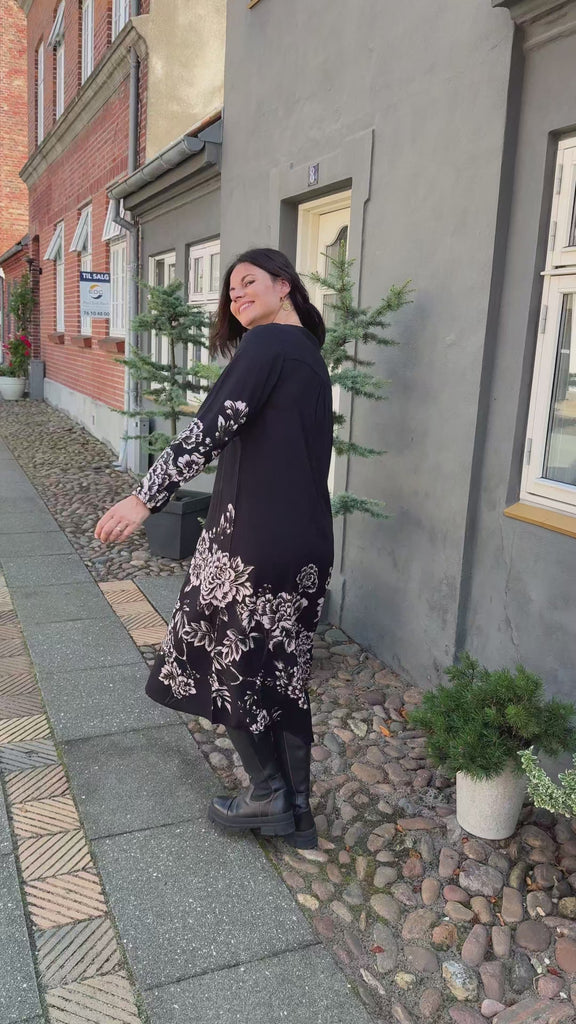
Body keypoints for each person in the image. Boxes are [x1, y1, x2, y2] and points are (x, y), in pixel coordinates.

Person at [95, 248, 334, 849]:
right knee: (281, 671)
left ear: (284, 285)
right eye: (230, 290)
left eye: (249, 282)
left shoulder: (266, 345)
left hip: (249, 541)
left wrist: (145, 498)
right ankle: (295, 813)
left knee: (225, 660)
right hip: (304, 542)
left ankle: (267, 792)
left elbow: (209, 426)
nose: (237, 295)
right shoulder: (309, 353)